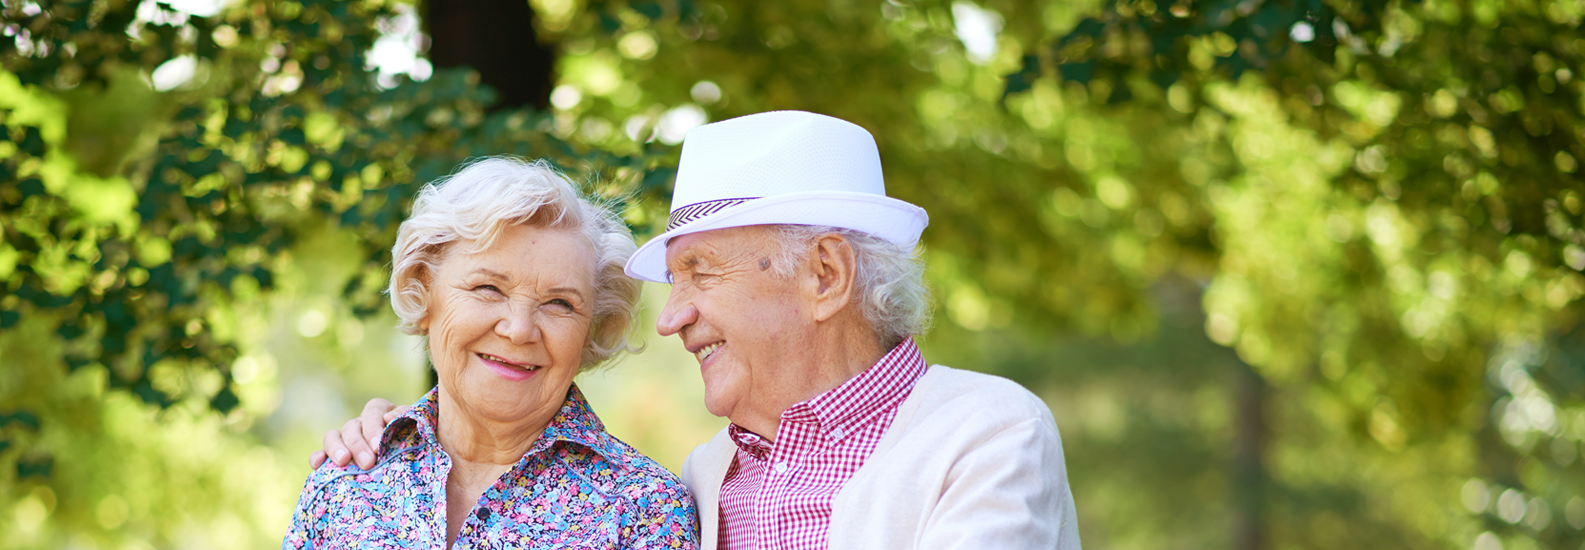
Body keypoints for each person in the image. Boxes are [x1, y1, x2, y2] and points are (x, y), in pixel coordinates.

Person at [317, 111, 1081, 549]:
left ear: (825, 275)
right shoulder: (704, 480)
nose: (672, 316)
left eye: (701, 273)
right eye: (673, 279)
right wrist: (400, 428)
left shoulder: (985, 434)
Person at [283, 157, 698, 549]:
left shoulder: (644, 511)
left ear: (592, 329)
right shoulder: (343, 488)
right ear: (423, 290)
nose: (519, 329)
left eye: (560, 303)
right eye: (488, 288)